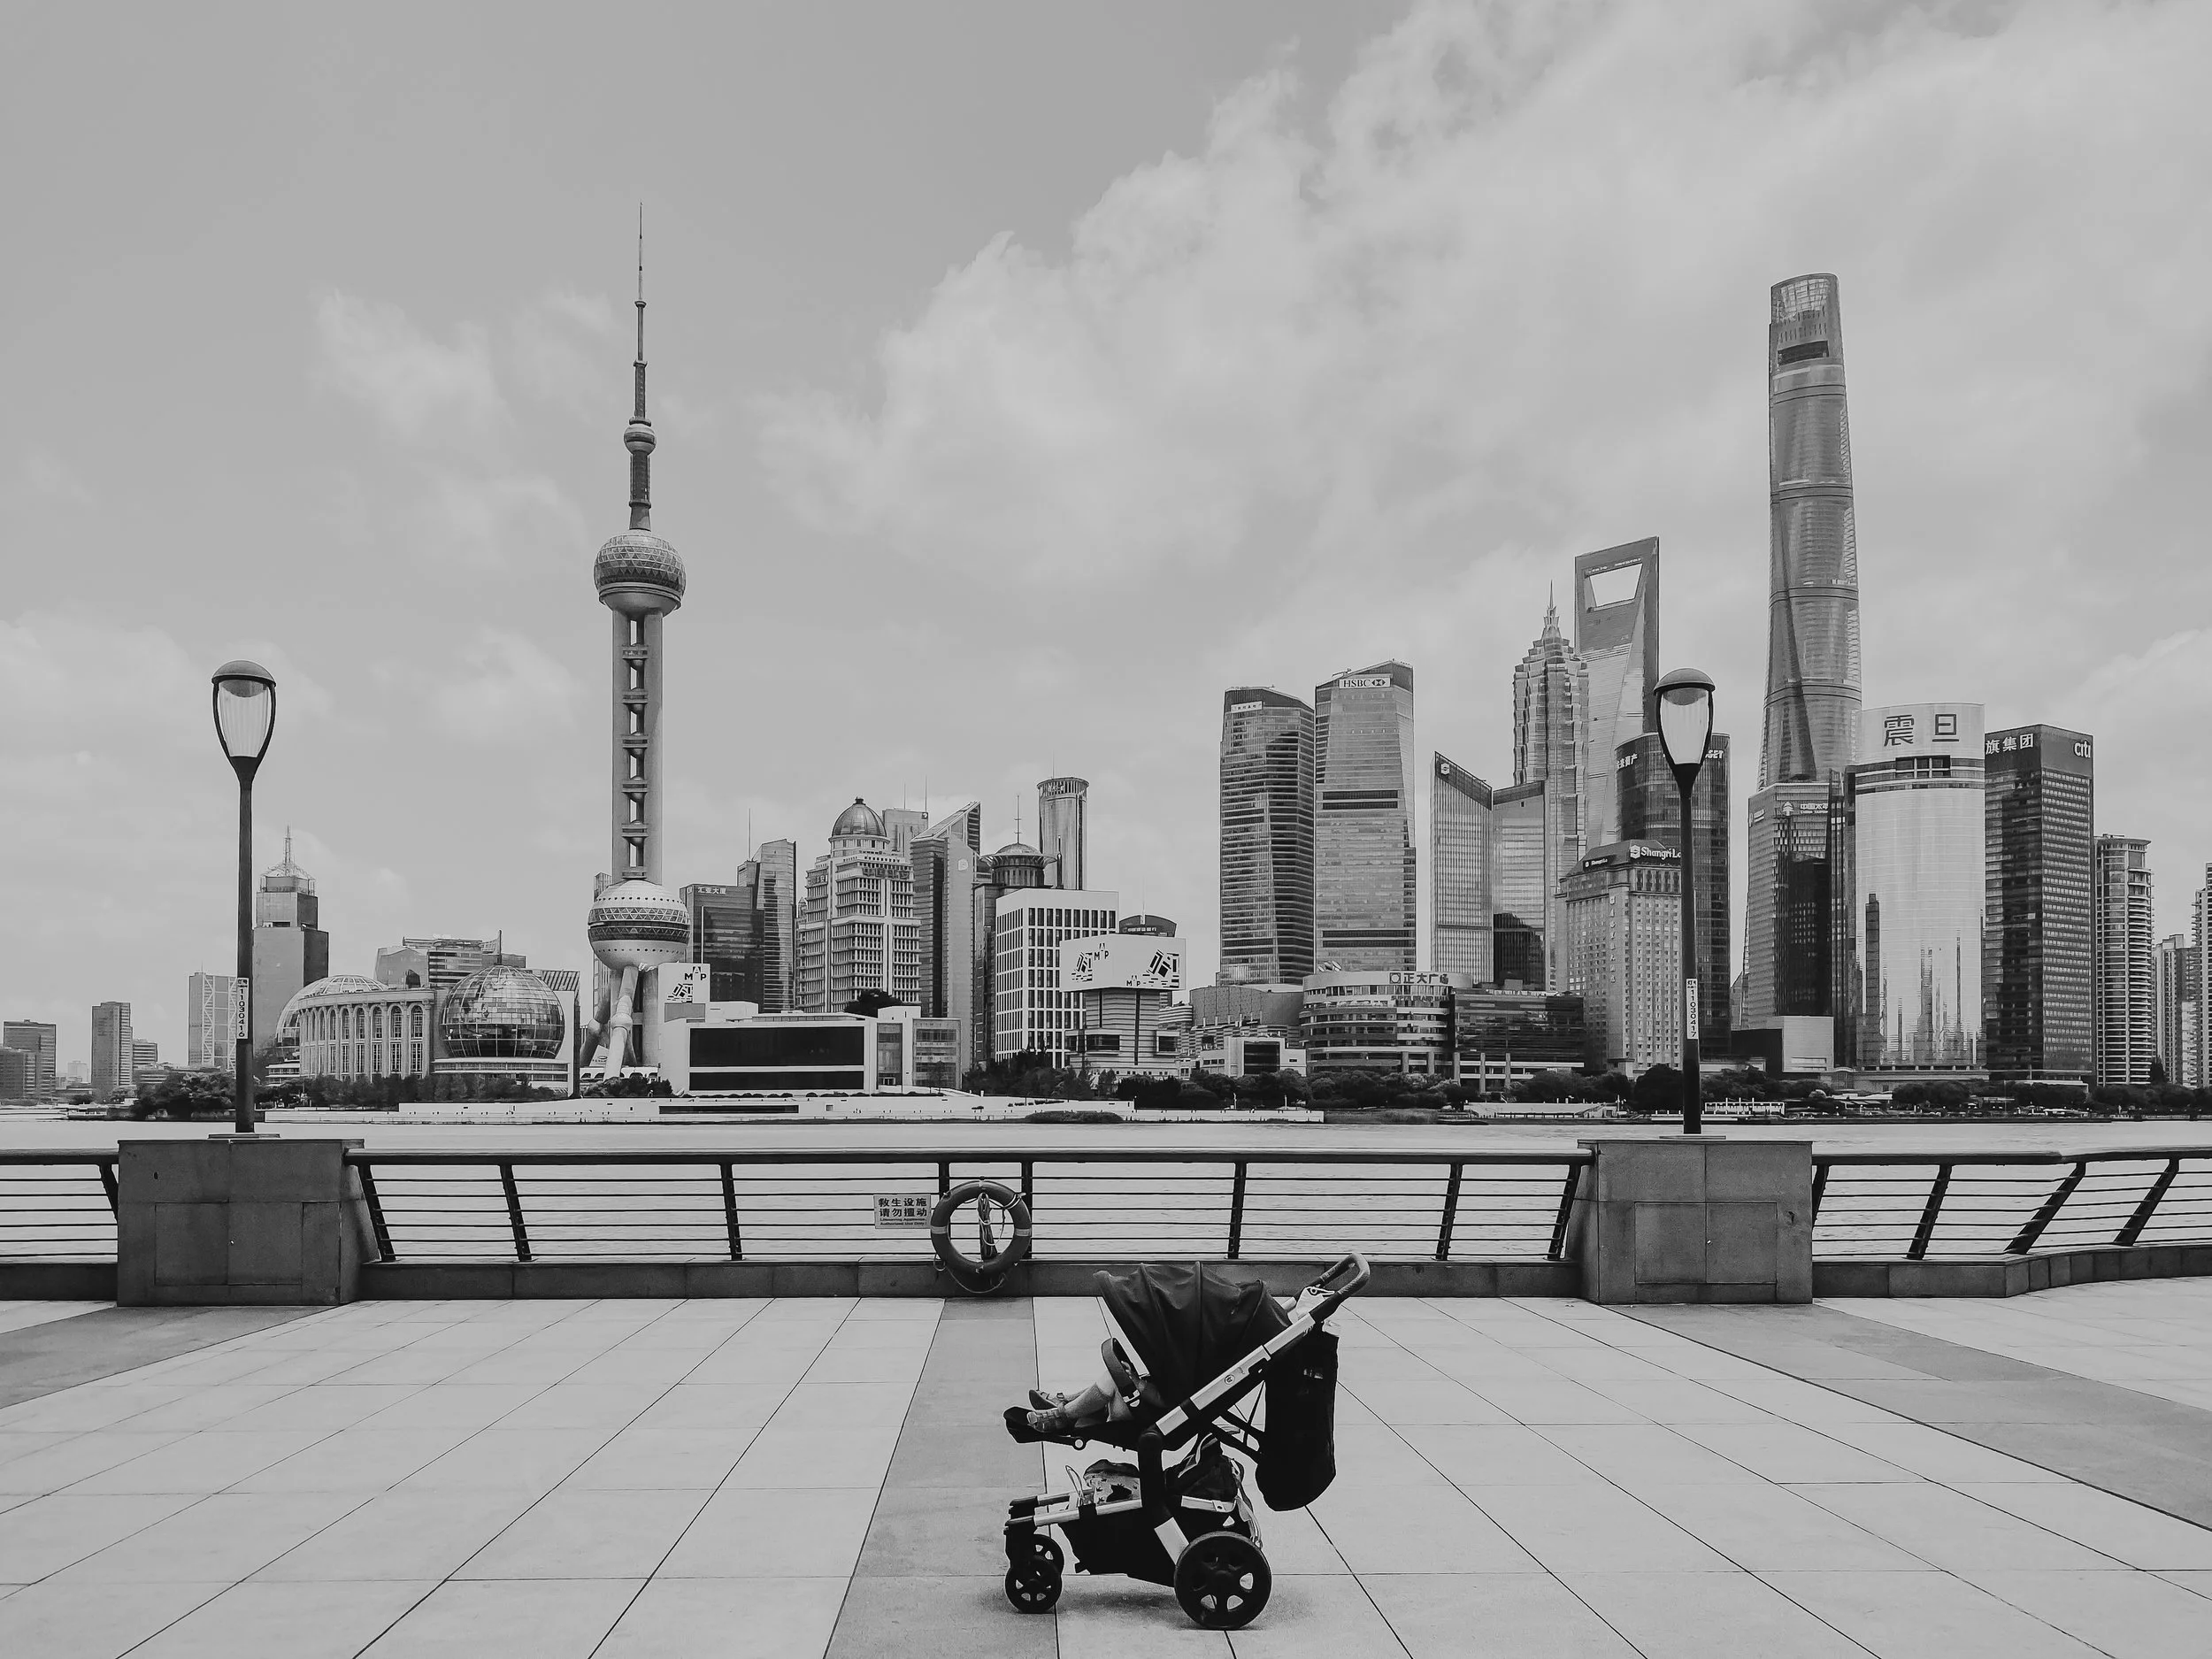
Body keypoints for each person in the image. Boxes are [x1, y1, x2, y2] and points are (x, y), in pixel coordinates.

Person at [1003, 1340, 1156, 1442]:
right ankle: (1067, 1403)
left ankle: (1062, 1415)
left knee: (1113, 1378)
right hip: (1141, 1408)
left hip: (1146, 1417)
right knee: (1118, 1374)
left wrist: (1139, 1384)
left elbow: (1166, 1399)